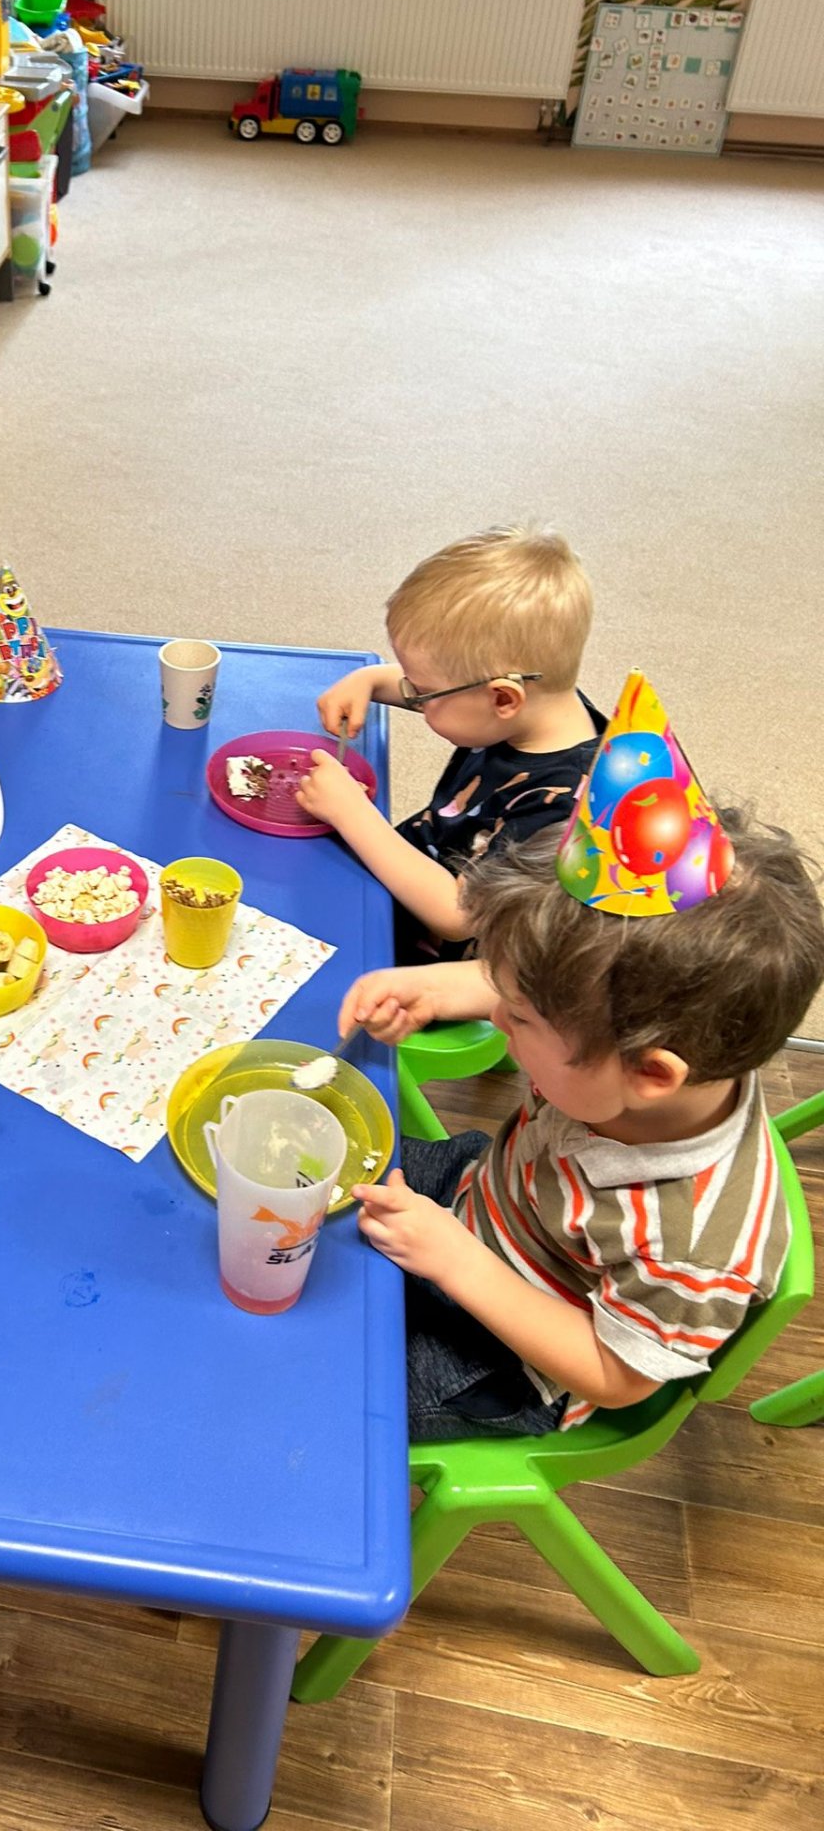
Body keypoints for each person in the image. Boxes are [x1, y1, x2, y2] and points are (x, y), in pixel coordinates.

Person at [339, 810, 824, 1442]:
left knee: (329, 1389)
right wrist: (431, 986)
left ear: (650, 1073)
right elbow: (547, 997)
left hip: (500, 1356)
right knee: (323, 1162)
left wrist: (457, 1262)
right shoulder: (642, 1055)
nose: (499, 1021)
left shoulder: (695, 1248)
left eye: (520, 1018)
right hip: (487, 1194)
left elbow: (616, 1377)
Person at [299, 525, 602, 962]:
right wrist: (370, 679)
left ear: (503, 699)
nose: (413, 695)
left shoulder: (557, 809)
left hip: (430, 953)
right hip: (409, 869)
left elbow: (458, 914)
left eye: (420, 691)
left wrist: (352, 813)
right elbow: (457, 692)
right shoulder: (535, 707)